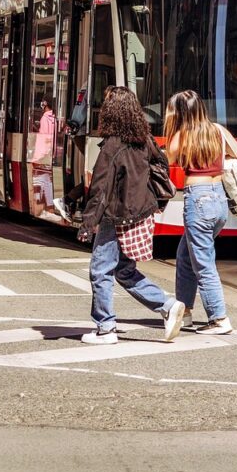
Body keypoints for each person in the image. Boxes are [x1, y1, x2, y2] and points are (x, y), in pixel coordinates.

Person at [80, 86, 185, 345]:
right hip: (139, 213)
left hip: (115, 216)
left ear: (111, 112)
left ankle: (105, 328)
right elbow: (161, 169)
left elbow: (100, 189)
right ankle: (167, 305)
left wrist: (87, 223)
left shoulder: (112, 146)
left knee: (100, 270)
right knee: (124, 271)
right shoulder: (145, 140)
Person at [164, 89, 237, 334]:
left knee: (203, 263)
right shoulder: (218, 131)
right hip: (219, 199)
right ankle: (185, 312)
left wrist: (173, 126)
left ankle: (219, 319)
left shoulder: (182, 134)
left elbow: (170, 157)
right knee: (185, 256)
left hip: (198, 200)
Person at [54, 85, 88, 224]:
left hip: (80, 131)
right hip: (83, 131)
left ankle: (68, 201)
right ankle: (68, 201)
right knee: (103, 175)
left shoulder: (86, 85)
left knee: (101, 174)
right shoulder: (90, 83)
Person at [32, 94, 57, 216]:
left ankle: (46, 207)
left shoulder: (44, 118)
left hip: (44, 154)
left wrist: (37, 157)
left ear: (45, 103)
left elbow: (43, 139)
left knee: (43, 180)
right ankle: (50, 206)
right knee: (48, 180)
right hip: (52, 152)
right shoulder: (55, 117)